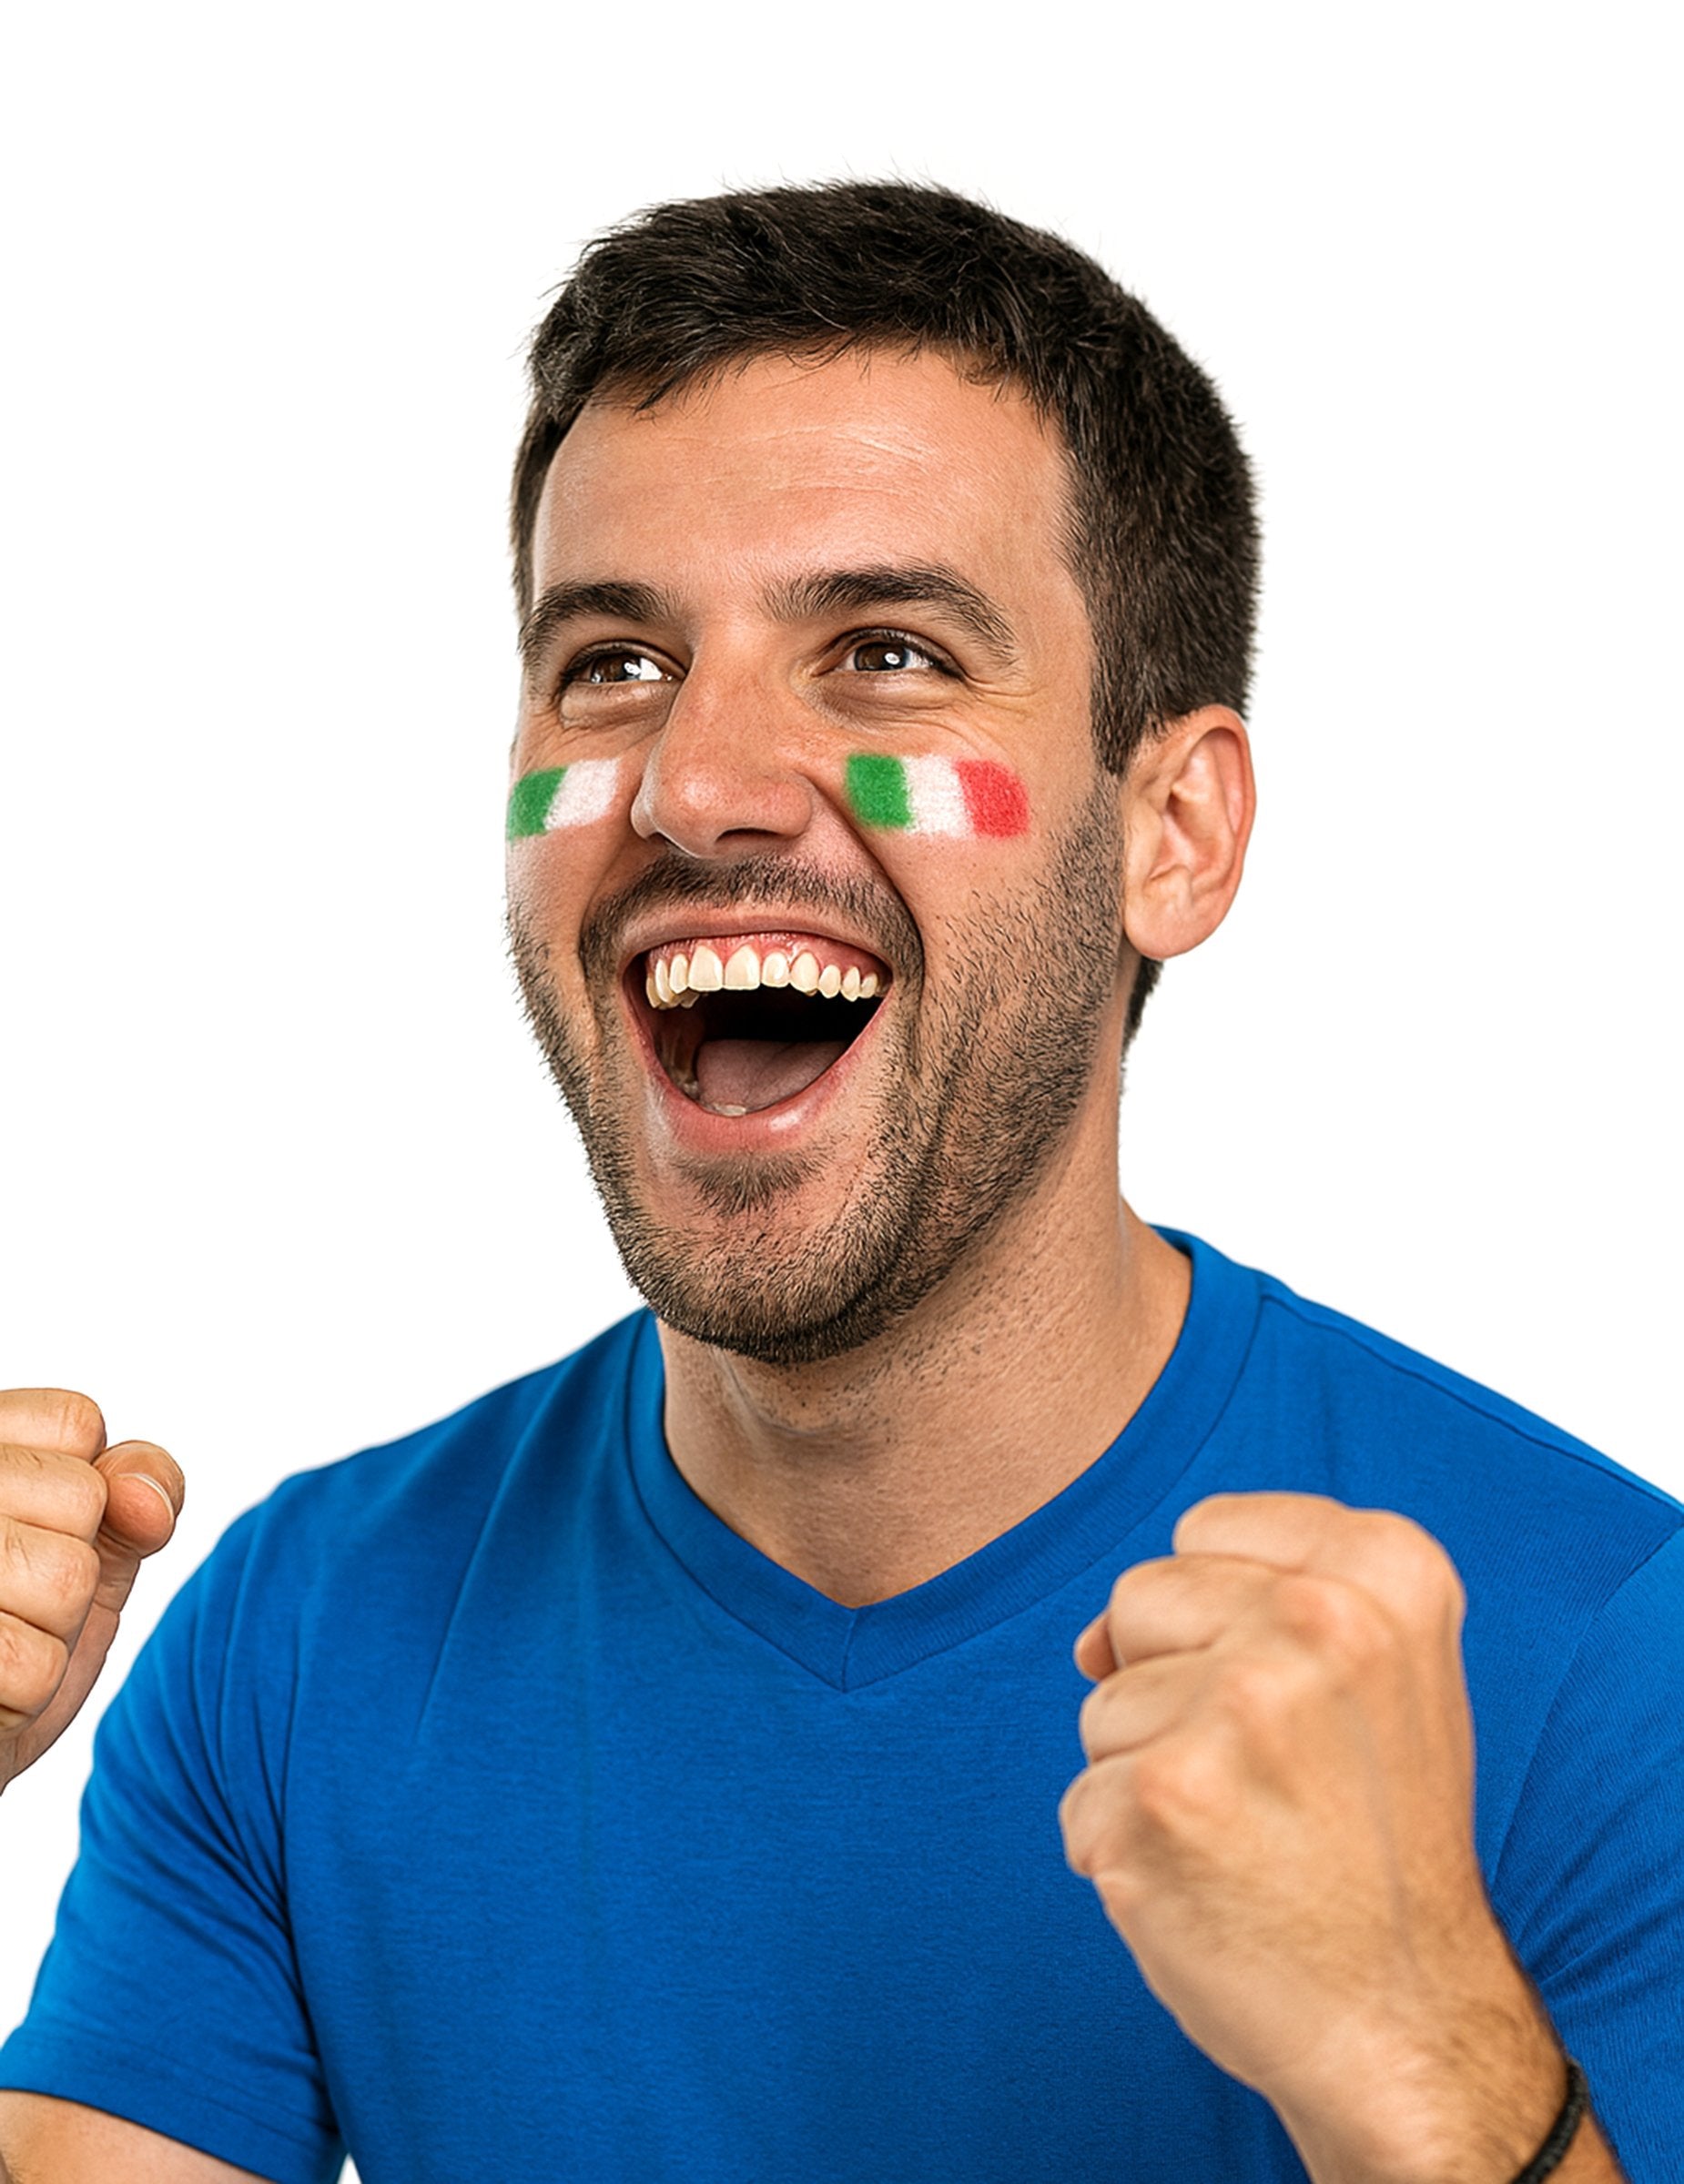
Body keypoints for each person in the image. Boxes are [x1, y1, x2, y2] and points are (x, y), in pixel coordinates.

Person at [0, 180, 1677, 2184]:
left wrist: (1427, 2067)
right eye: (613, 663)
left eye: (883, 653)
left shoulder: (1611, 1657)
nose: (695, 784)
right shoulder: (300, 1643)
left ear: (1172, 832)